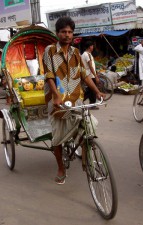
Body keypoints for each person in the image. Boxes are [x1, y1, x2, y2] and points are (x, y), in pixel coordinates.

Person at [43, 16, 105, 185]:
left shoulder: (76, 52)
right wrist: (56, 95)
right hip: (57, 100)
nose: (67, 35)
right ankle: (61, 168)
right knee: (57, 138)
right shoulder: (49, 50)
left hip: (76, 98)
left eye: (70, 32)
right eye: (63, 32)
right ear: (57, 33)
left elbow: (84, 75)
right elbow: (49, 74)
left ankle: (85, 155)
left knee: (88, 125)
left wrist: (97, 91)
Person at [81, 41, 100, 110]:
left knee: (90, 91)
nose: (93, 47)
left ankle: (91, 103)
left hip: (89, 75)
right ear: (90, 46)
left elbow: (92, 66)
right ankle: (82, 101)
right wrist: (96, 76)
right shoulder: (86, 55)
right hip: (90, 75)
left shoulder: (88, 54)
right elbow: (90, 66)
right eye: (92, 46)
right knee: (91, 91)